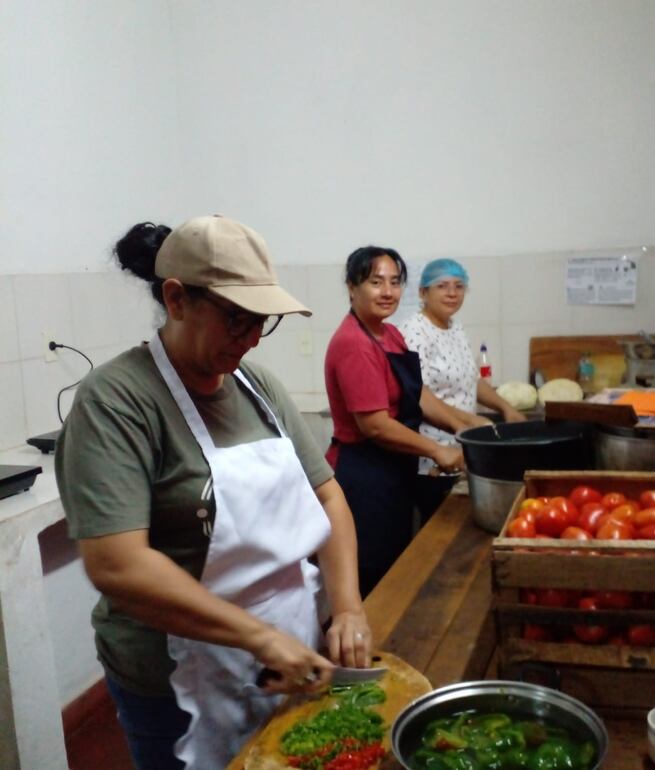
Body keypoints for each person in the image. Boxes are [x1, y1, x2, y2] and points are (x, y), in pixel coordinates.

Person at [55, 215, 371, 770]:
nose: (250, 339)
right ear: (176, 300)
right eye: (236, 320)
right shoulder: (117, 400)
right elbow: (117, 564)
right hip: (181, 675)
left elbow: (329, 499)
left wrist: (345, 608)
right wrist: (258, 638)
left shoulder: (258, 386)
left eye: (261, 322)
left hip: (289, 650)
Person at [324, 246, 488, 597]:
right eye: (375, 281)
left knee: (396, 568)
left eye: (395, 282)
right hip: (363, 477)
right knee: (371, 576)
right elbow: (375, 425)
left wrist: (463, 427)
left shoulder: (389, 334)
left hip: (393, 471)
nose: (387, 291)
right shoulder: (354, 343)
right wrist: (437, 450)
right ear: (352, 287)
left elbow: (418, 395)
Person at [399, 258, 526, 522]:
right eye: (442, 286)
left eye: (459, 286)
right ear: (423, 293)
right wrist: (468, 423)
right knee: (441, 531)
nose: (452, 293)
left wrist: (506, 408)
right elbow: (418, 395)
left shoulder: (455, 327)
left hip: (464, 448)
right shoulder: (414, 332)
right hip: (433, 458)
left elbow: (470, 378)